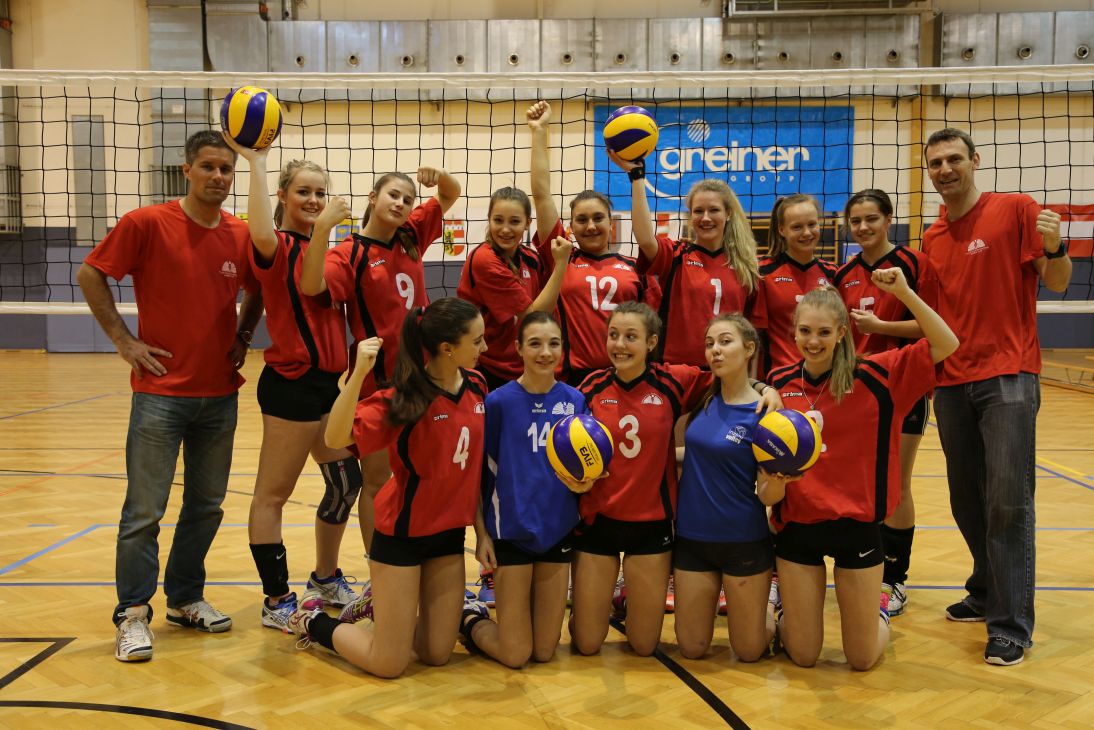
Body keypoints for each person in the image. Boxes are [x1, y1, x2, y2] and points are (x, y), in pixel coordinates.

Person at [77, 130, 263, 662]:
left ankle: (184, 599)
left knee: (206, 506)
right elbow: (90, 274)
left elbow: (258, 289)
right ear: (186, 170)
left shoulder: (240, 233)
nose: (218, 176)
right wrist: (124, 341)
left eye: (226, 169)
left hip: (220, 394)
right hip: (159, 393)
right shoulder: (146, 223)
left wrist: (244, 334)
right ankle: (133, 613)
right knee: (144, 511)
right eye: (208, 166)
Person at [921, 127, 1071, 666]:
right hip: (950, 382)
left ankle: (1010, 625)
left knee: (1008, 502)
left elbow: (1058, 280)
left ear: (975, 161)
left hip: (1008, 375)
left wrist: (1056, 246)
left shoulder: (1016, 209)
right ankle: (985, 589)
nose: (945, 170)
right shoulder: (932, 236)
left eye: (953, 159)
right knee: (967, 498)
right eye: (935, 163)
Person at [764, 274, 958, 671]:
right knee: (803, 655)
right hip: (798, 526)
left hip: (858, 528)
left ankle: (878, 608)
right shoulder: (779, 383)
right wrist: (762, 389)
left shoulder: (880, 375)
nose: (813, 341)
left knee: (862, 658)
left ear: (841, 333)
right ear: (793, 332)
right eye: (805, 331)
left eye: (823, 332)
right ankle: (782, 607)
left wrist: (904, 293)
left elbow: (946, 343)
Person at [288, 298, 488, 678]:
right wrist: (356, 377)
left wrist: (482, 532)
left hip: (448, 537)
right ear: (448, 348)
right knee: (388, 663)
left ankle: (397, 614)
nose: (485, 347)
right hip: (401, 538)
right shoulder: (405, 398)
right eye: (477, 341)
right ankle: (312, 621)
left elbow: (473, 470)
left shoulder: (477, 385)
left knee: (436, 654)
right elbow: (335, 437)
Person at [225, 139, 362, 631]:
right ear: (283, 195)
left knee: (346, 482)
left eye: (320, 193)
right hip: (291, 386)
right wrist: (256, 162)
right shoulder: (277, 246)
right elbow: (261, 231)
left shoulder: (325, 250)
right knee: (272, 495)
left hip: (329, 387)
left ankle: (324, 578)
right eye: (303, 191)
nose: (314, 200)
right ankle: (276, 599)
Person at [298, 168, 460, 558]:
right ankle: (380, 567)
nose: (401, 204)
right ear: (373, 197)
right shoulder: (349, 253)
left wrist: (439, 176)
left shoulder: (411, 233)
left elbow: (450, 193)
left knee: (427, 471)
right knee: (377, 480)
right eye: (393, 195)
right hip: (382, 384)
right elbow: (311, 285)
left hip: (428, 379)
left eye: (407, 199)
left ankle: (422, 555)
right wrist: (321, 230)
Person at [833, 189, 940, 617]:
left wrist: (881, 325)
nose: (863, 227)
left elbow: (935, 327)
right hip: (858, 393)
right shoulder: (844, 273)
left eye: (871, 219)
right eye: (856, 221)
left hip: (903, 386)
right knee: (863, 483)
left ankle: (894, 579)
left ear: (889, 219)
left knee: (898, 483)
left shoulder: (914, 264)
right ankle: (867, 568)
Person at [460, 312, 584, 667]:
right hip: (510, 532)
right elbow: (477, 476)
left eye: (553, 344)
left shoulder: (575, 401)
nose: (545, 352)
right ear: (518, 349)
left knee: (544, 652)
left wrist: (588, 480)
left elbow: (585, 467)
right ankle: (467, 618)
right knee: (516, 655)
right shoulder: (498, 403)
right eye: (535, 344)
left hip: (556, 531)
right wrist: (482, 535)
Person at [674, 314, 793, 662]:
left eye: (725, 342)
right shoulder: (702, 398)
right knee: (691, 648)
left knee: (749, 651)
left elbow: (767, 495)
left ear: (749, 348)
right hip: (692, 540)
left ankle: (775, 617)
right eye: (710, 343)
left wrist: (776, 483)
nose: (715, 350)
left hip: (743, 539)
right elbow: (701, 452)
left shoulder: (764, 412)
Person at [527, 101, 658, 386]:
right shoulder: (561, 257)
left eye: (598, 218)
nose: (590, 226)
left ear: (612, 224)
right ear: (571, 227)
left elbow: (652, 327)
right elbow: (541, 195)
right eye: (581, 220)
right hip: (573, 380)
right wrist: (539, 131)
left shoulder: (635, 268)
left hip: (627, 378)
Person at [615, 158, 760, 366]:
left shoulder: (745, 265)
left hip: (728, 371)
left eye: (714, 210)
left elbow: (752, 331)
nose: (706, 218)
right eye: (698, 211)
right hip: (677, 370)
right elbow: (646, 239)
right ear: (690, 215)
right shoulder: (677, 255)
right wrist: (637, 178)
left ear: (728, 214)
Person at [456, 186, 573, 391]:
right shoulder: (484, 259)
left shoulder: (531, 258)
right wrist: (561, 264)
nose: (505, 229)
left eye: (515, 221)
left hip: (525, 367)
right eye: (498, 220)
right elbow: (533, 318)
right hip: (488, 369)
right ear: (489, 219)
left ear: (528, 223)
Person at [752, 194, 837, 378]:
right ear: (781, 229)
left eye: (812, 224)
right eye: (797, 227)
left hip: (826, 378)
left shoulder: (833, 274)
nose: (806, 233)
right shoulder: (763, 272)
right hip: (780, 378)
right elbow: (756, 334)